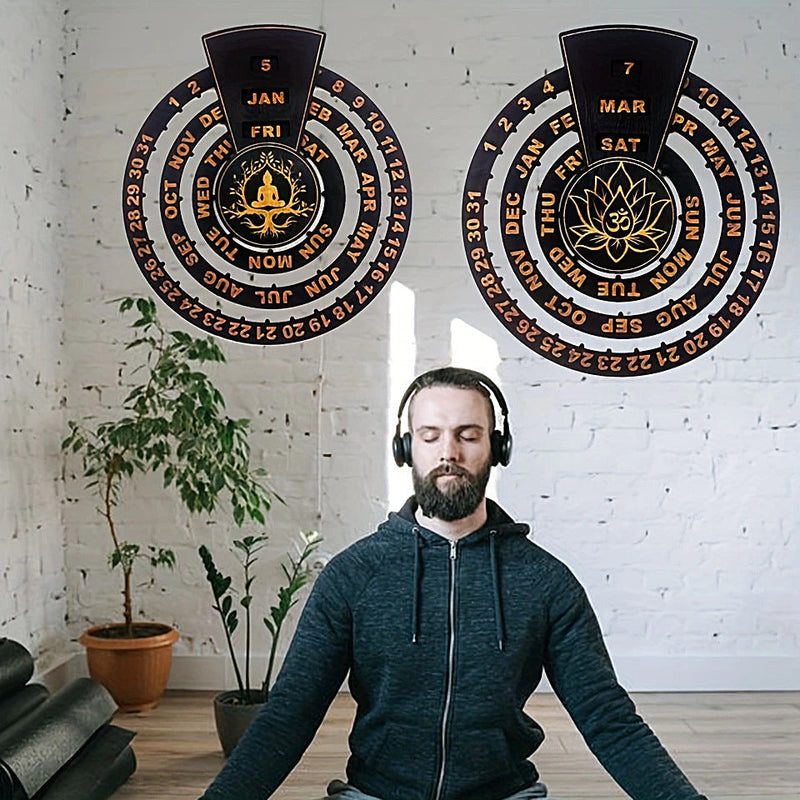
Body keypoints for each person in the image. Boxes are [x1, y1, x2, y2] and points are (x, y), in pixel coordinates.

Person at [198, 367, 708, 800]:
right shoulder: (354, 576)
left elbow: (607, 718)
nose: (450, 452)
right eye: (431, 435)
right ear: (407, 448)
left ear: (496, 447)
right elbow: (289, 716)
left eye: (468, 434)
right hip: (376, 793)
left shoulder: (545, 582)